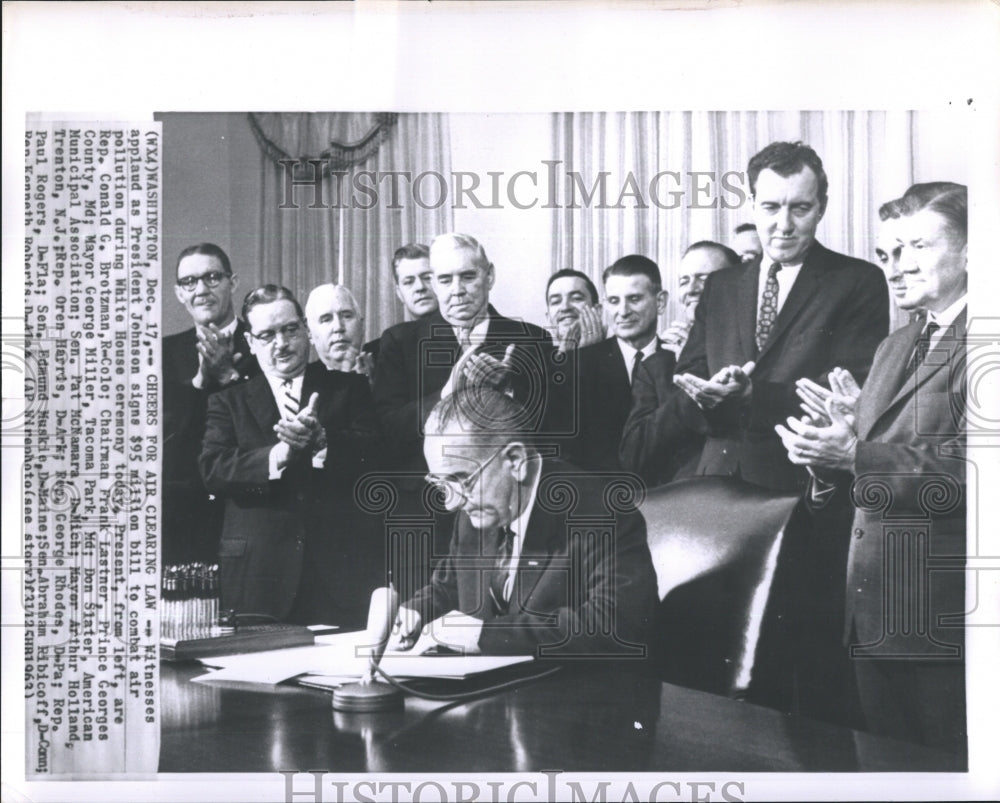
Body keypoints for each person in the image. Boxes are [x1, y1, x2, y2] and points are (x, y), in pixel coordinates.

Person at [775, 182, 968, 756]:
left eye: (916, 248)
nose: (896, 268)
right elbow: (869, 462)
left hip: (944, 620)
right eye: (887, 255)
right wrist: (825, 457)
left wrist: (855, 452)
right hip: (871, 611)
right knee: (886, 771)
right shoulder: (895, 344)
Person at [667, 140, 890, 492]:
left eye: (800, 208)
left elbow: (844, 392)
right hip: (714, 480)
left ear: (822, 208)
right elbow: (686, 379)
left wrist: (752, 395)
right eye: (770, 207)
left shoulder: (857, 281)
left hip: (801, 485)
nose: (783, 225)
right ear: (752, 205)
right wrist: (706, 395)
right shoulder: (720, 286)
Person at [390, 386, 658, 657]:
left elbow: (616, 624)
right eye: (441, 485)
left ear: (515, 460)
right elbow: (451, 584)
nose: (452, 502)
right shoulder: (478, 508)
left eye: (461, 479)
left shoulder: (602, 514)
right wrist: (417, 611)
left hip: (581, 692)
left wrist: (486, 636)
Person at [199, 285, 381, 626]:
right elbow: (213, 469)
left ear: (306, 331)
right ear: (251, 343)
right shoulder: (227, 401)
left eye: (289, 330)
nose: (281, 344)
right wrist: (278, 456)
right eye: (267, 335)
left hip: (339, 575)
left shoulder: (349, 388)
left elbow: (376, 457)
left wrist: (323, 441)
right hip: (258, 578)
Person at [162, 243, 259, 565]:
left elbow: (265, 426)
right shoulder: (162, 354)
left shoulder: (264, 341)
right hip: (182, 517)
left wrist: (230, 376)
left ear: (232, 282)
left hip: (248, 512)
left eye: (212, 277)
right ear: (178, 293)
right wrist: (200, 382)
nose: (201, 290)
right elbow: (165, 443)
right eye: (189, 282)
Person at [566, 255, 676, 474]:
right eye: (614, 301)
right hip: (601, 501)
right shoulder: (577, 366)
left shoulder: (679, 361)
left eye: (634, 299)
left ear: (660, 302)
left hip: (672, 499)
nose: (623, 311)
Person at [362, 243, 439, 367]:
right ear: (399, 293)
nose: (420, 287)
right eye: (409, 282)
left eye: (427, 278)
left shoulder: (465, 339)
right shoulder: (377, 352)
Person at [660, 241, 741, 356]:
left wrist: (692, 359)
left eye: (704, 279)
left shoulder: (752, 343)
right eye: (684, 282)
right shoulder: (669, 346)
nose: (691, 289)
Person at [305, 283, 373, 379]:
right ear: (310, 333)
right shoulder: (302, 382)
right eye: (326, 320)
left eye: (347, 316)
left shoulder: (388, 369)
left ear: (362, 326)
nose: (338, 327)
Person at [544, 268, 605, 353]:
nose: (565, 307)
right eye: (556, 302)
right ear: (548, 317)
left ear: (598, 311)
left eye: (576, 298)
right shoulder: (538, 361)